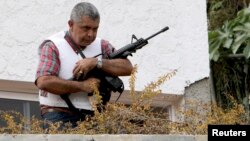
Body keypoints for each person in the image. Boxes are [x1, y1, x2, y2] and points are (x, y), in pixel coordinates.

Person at [35, 2, 133, 129]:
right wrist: (82, 86)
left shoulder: (102, 45)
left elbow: (127, 67)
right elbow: (44, 82)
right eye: (85, 28)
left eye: (95, 29)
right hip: (59, 113)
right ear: (71, 24)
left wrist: (96, 62)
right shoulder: (53, 45)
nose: (91, 34)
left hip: (94, 115)